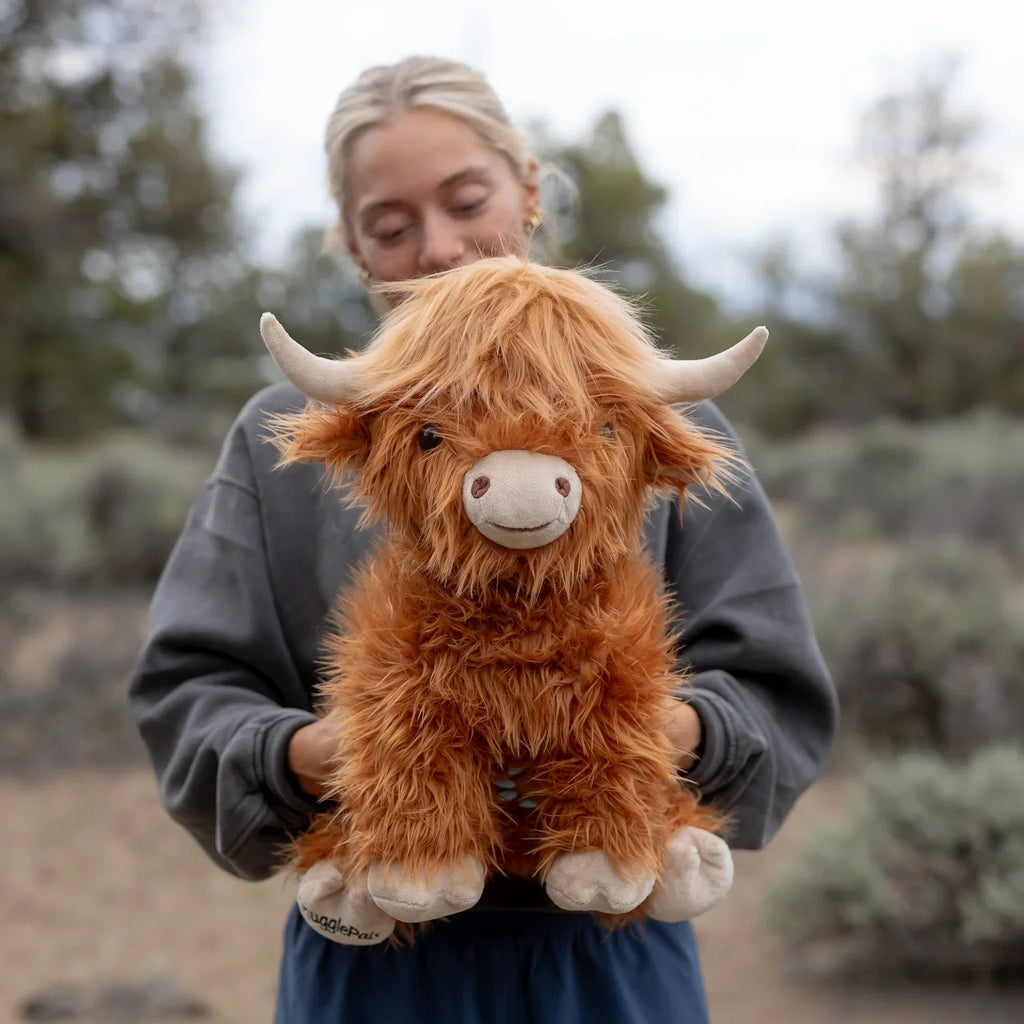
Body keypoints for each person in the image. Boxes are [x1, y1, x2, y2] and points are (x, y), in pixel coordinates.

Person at [129, 56, 837, 1023]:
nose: (442, 248)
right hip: (377, 944)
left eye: (470, 200)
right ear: (350, 245)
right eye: (391, 226)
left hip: (612, 940)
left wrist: (632, 732)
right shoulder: (283, 438)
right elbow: (187, 691)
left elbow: (771, 683)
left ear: (531, 189)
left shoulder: (656, 422)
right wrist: (320, 754)